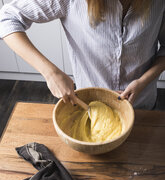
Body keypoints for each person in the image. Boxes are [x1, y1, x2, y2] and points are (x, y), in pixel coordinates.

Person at [0, 0, 164, 109]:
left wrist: (143, 81)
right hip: (88, 103)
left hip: (142, 103)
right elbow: (7, 18)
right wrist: (51, 73)